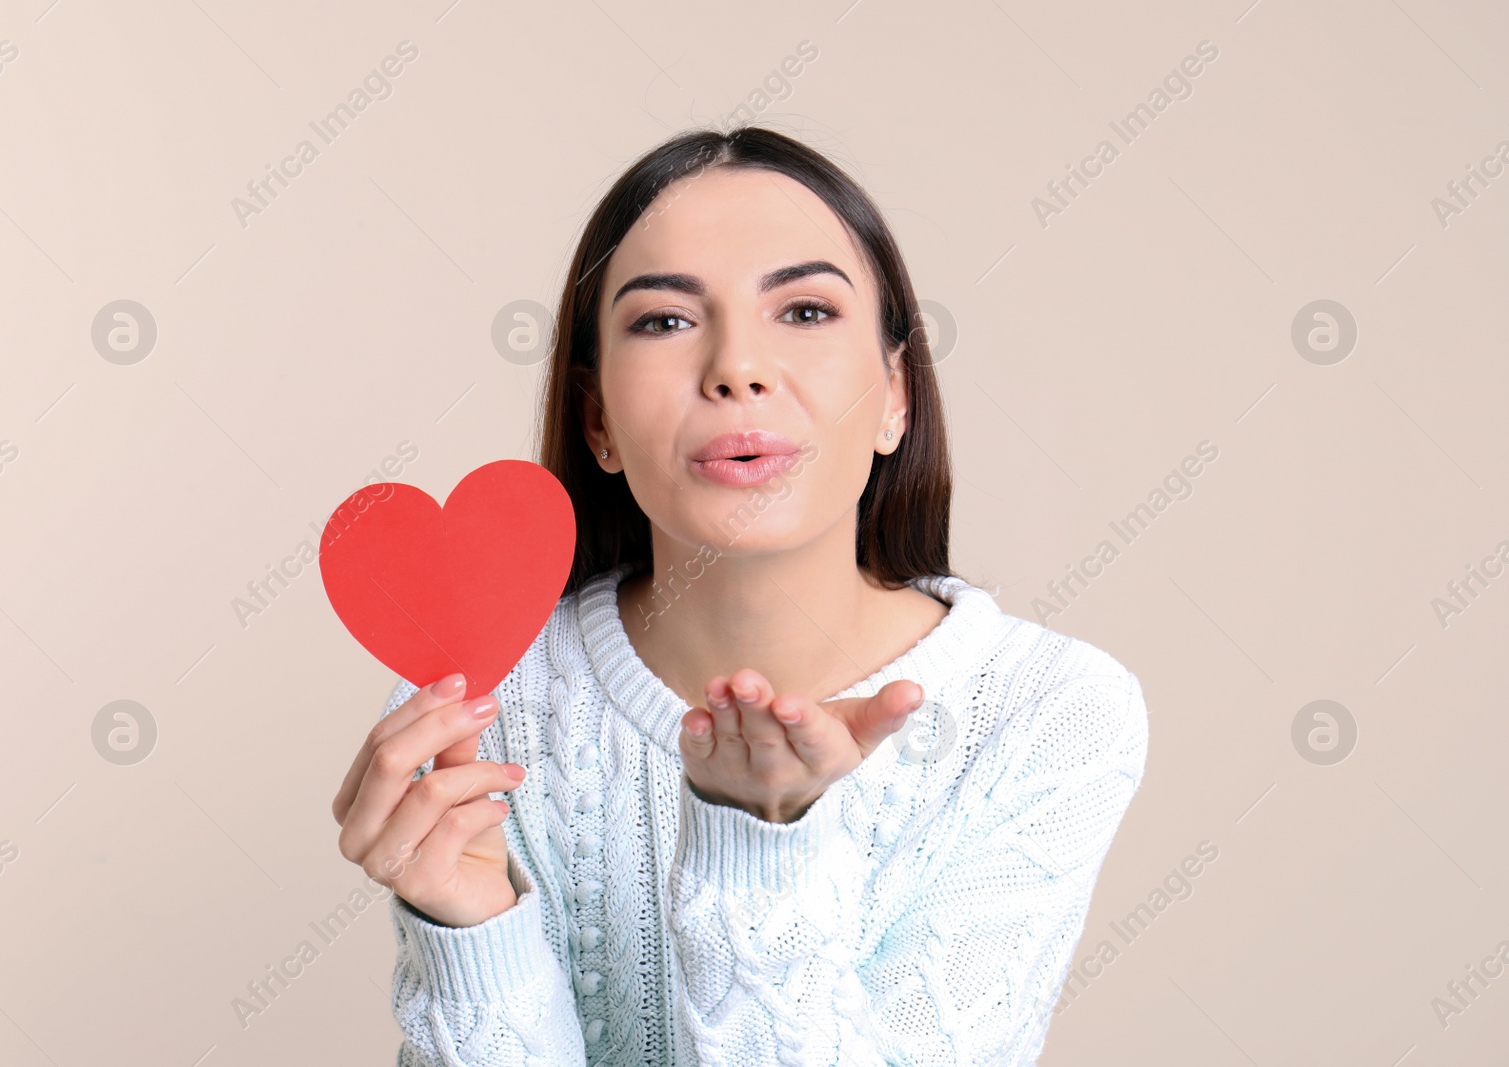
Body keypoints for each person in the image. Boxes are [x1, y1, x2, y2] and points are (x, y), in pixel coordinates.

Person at [331, 125, 1150, 1065]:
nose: (735, 368)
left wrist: (760, 849)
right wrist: (471, 930)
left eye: (804, 311)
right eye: (665, 321)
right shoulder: (474, 718)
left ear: (897, 395)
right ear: (598, 420)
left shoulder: (1051, 713)